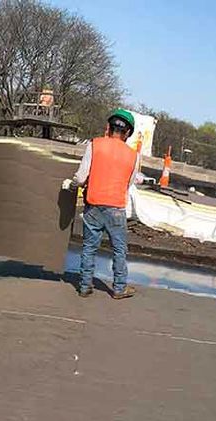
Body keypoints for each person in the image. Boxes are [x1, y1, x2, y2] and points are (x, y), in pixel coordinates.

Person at [65, 108, 147, 299]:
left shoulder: (94, 145)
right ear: (128, 133)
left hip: (93, 204)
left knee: (89, 247)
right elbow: (128, 183)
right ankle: (119, 288)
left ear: (108, 127)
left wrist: (72, 185)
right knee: (119, 249)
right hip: (116, 207)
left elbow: (81, 177)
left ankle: (85, 286)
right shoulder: (133, 156)